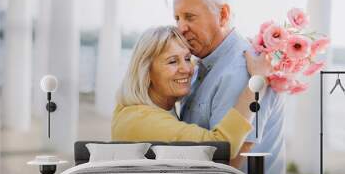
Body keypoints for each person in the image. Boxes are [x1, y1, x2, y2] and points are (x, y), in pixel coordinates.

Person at [167, 0, 287, 174]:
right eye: (177, 18)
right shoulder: (200, 66)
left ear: (222, 15)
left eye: (190, 17)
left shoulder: (242, 69)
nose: (180, 28)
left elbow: (229, 161)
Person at [112, 26, 271, 160]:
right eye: (173, 61)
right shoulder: (141, 121)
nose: (187, 69)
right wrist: (258, 80)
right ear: (146, 72)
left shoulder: (138, 108)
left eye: (187, 59)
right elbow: (222, 147)